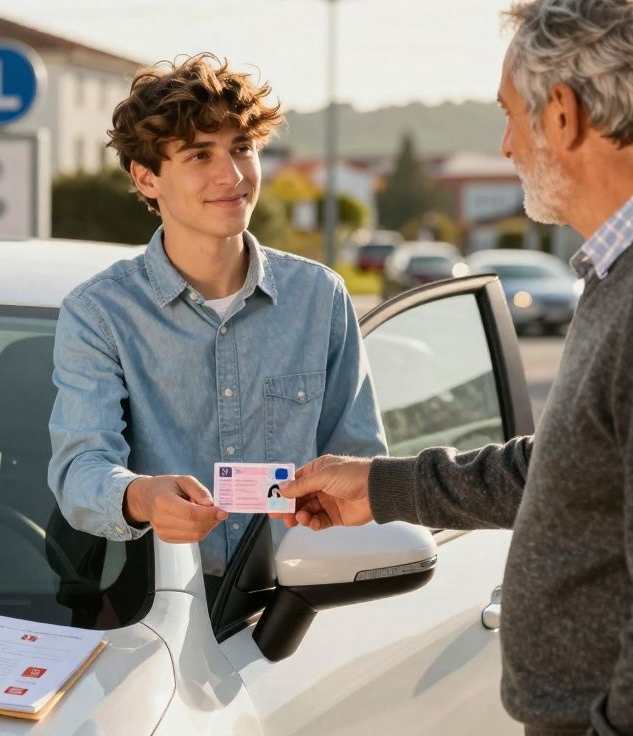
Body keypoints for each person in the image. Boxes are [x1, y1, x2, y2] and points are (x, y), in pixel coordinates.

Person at [279, 1, 633, 734]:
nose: (508, 145)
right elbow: (580, 468)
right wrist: (381, 488)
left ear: (565, 115)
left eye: (511, 114)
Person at [47, 53, 386, 587]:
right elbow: (80, 470)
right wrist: (142, 496)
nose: (231, 176)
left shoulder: (320, 298)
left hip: (298, 609)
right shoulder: (99, 314)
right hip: (152, 610)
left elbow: (362, 462)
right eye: (199, 154)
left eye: (241, 149)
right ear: (146, 178)